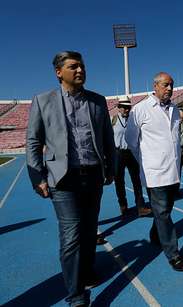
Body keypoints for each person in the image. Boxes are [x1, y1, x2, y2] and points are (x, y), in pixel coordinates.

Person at [26, 51, 115, 307]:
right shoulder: (43, 101)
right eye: (73, 66)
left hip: (93, 175)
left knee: (89, 231)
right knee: (71, 234)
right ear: (59, 72)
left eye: (82, 66)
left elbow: (108, 138)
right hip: (62, 179)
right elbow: (34, 141)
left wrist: (111, 168)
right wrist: (37, 177)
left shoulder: (98, 101)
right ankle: (76, 296)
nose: (80, 70)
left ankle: (86, 272)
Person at [125, 72, 183, 271]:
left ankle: (155, 234)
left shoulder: (174, 108)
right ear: (155, 86)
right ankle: (174, 254)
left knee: (165, 210)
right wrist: (147, 160)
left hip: (173, 170)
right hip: (154, 171)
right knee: (162, 212)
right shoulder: (140, 109)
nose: (169, 88)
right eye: (165, 85)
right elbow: (131, 141)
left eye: (171, 85)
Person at [112, 96, 152, 216]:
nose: (126, 110)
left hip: (131, 152)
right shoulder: (112, 120)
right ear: (119, 108)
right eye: (123, 107)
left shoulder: (133, 120)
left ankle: (141, 206)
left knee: (137, 180)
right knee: (119, 181)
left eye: (128, 107)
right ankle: (123, 205)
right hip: (118, 153)